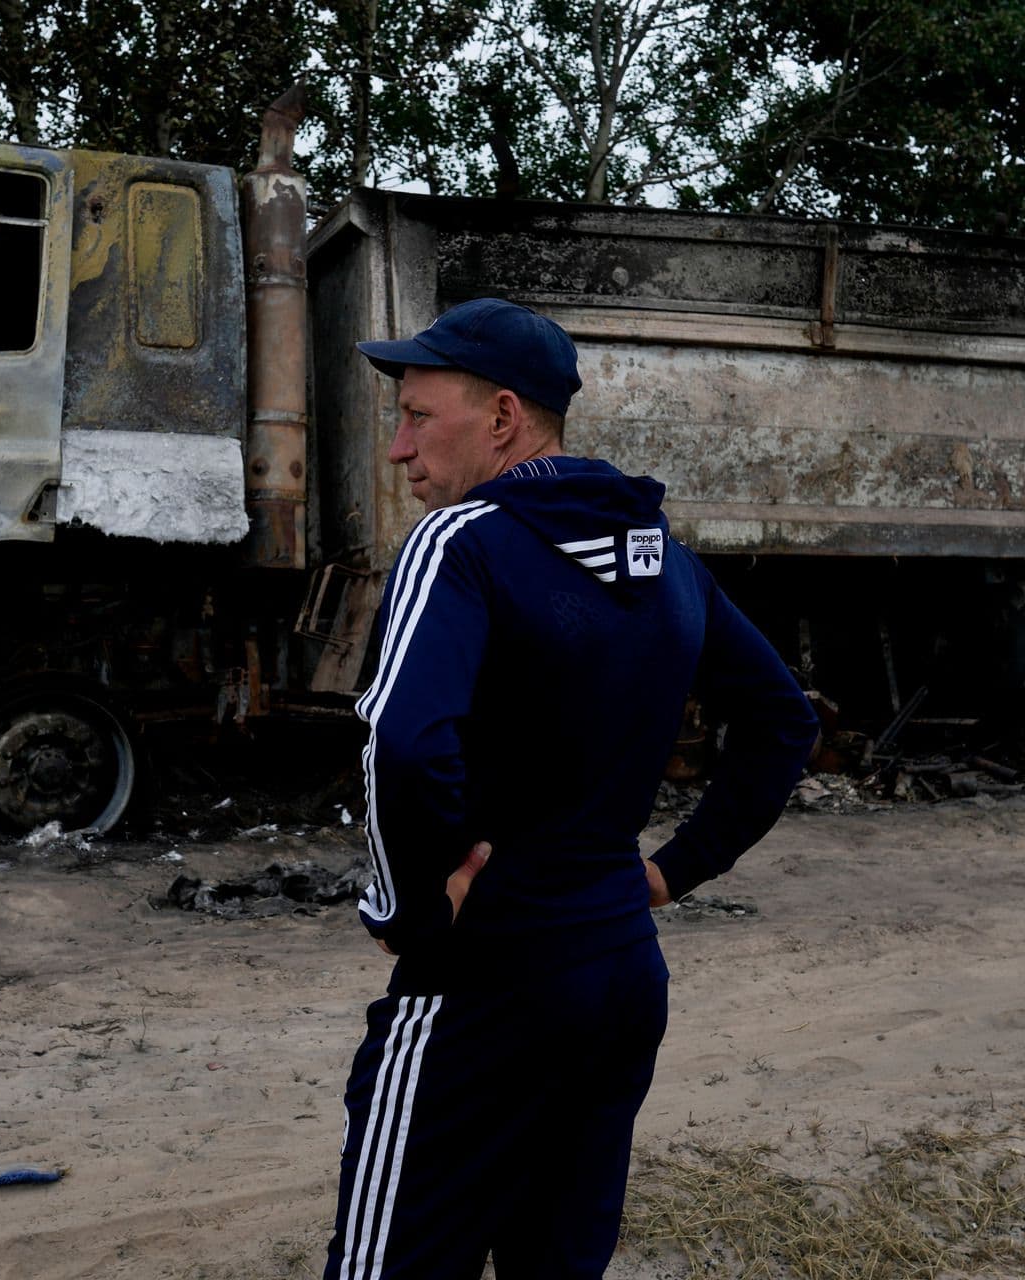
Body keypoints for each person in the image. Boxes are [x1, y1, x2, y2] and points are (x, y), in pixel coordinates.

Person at [325, 297, 818, 1280]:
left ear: (504, 417)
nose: (397, 448)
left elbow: (401, 744)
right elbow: (783, 720)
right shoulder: (667, 563)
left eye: (420, 416)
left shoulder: (459, 541)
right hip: (621, 980)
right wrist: (669, 873)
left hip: (482, 988)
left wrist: (408, 906)